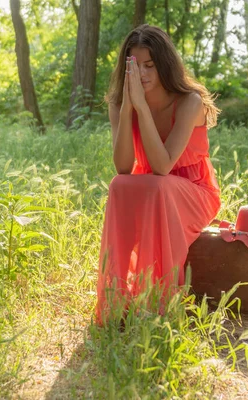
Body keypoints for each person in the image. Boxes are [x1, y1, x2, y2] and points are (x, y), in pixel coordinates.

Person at [95, 24, 221, 325]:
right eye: (135, 67)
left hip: (194, 191)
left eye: (150, 66)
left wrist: (142, 105)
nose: (143, 75)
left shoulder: (189, 101)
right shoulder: (118, 104)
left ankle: (156, 302)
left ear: (164, 65)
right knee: (119, 184)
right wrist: (128, 109)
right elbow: (124, 167)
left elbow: (163, 166)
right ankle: (117, 299)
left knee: (157, 186)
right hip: (154, 187)